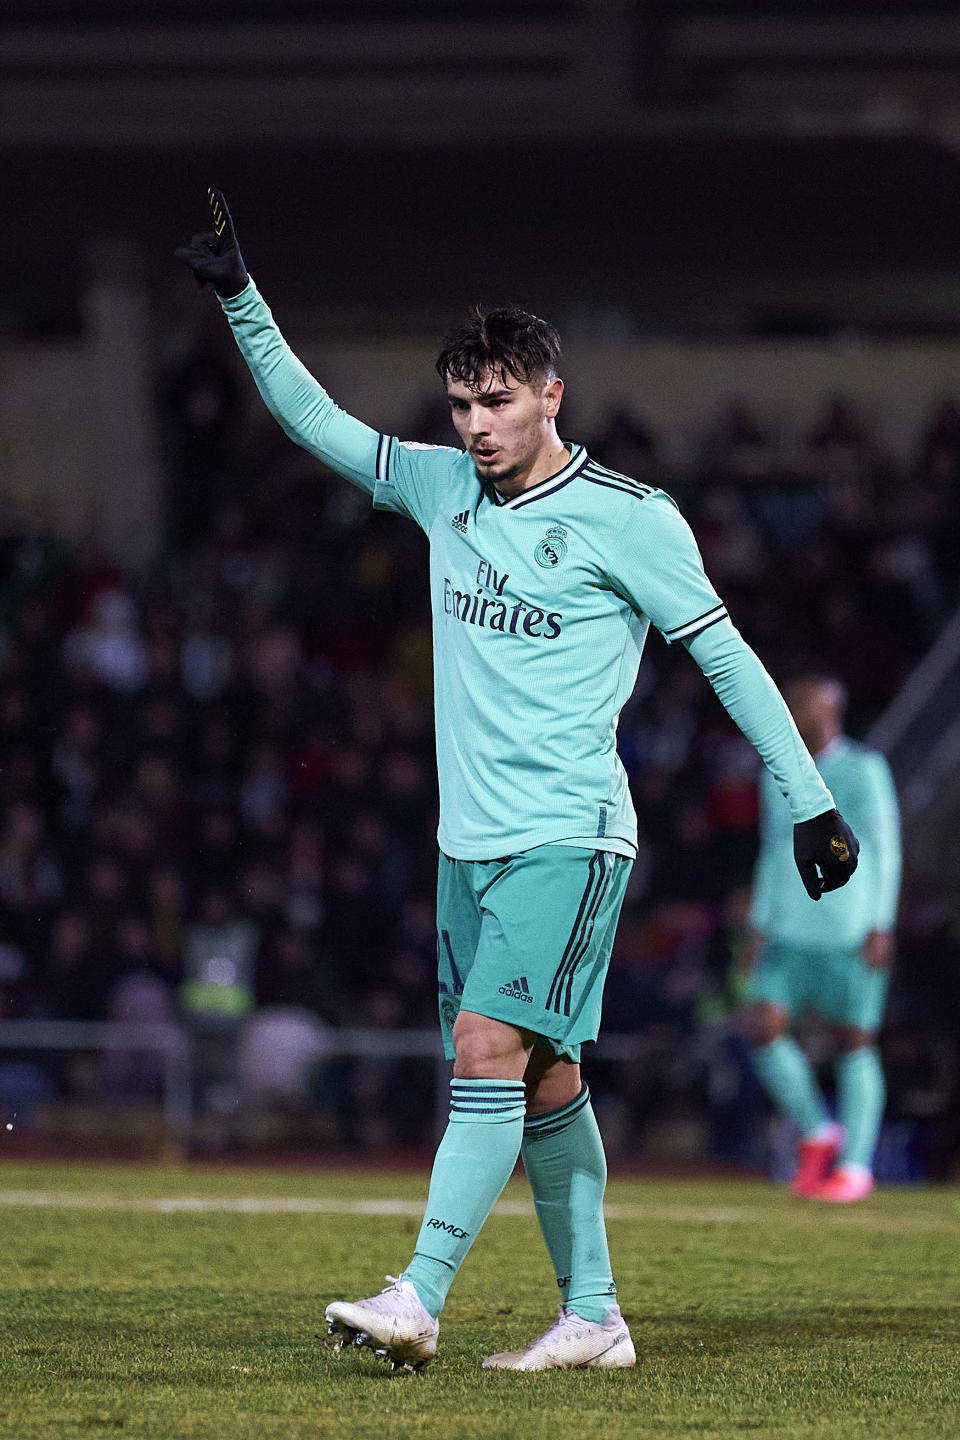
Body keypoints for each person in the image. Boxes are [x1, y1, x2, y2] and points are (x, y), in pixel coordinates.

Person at [175, 190, 860, 1372]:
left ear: (552, 395)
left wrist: (810, 798)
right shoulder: (442, 489)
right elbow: (312, 421)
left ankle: (417, 1295)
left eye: (497, 401)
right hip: (466, 847)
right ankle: (593, 1316)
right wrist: (243, 300)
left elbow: (728, 657)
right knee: (544, 1079)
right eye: (461, 404)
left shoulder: (630, 519)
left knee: (485, 1048)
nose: (477, 425)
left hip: (570, 837)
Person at [741, 675, 901, 1202]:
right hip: (789, 927)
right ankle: (817, 1129)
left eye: (803, 704)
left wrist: (882, 922)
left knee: (854, 1040)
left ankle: (855, 1168)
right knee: (763, 1026)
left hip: (850, 928)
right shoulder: (776, 774)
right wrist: (758, 925)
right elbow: (770, 851)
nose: (794, 712)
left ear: (831, 710)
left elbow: (885, 847)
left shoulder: (863, 769)